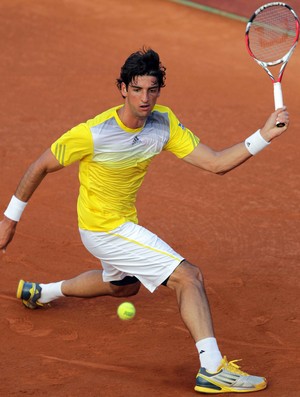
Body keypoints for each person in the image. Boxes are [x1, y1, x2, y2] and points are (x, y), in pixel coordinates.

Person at [0, 47, 289, 394]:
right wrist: (9, 220)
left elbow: (216, 163)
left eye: (152, 90)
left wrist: (264, 135)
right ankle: (212, 369)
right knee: (188, 276)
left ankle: (42, 292)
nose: (145, 98)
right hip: (106, 228)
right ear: (122, 89)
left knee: (122, 286)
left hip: (111, 225)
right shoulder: (94, 133)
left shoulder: (163, 122)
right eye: (136, 89)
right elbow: (41, 165)